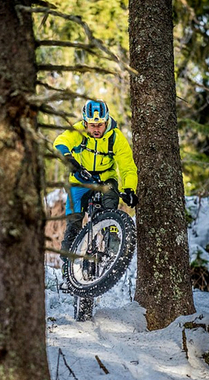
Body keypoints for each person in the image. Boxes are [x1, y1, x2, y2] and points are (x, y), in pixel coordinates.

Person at [54, 100, 139, 288]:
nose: (96, 129)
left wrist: (130, 189)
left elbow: (127, 167)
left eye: (100, 124)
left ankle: (112, 254)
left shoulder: (115, 137)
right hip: (79, 181)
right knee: (73, 224)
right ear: (85, 123)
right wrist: (70, 160)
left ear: (107, 121)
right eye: (92, 125)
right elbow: (60, 142)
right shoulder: (78, 132)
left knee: (110, 207)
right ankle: (67, 274)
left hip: (105, 180)